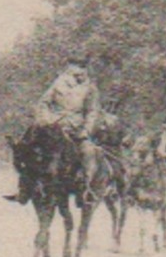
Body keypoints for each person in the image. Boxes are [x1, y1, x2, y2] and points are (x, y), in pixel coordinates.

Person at [19, 55, 103, 203]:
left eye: (83, 67)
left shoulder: (91, 88)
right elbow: (43, 103)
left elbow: (93, 112)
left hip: (75, 128)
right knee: (27, 145)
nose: (79, 71)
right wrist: (46, 119)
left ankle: (86, 188)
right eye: (76, 67)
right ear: (70, 67)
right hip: (53, 125)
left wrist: (86, 130)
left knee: (89, 152)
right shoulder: (58, 83)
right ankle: (24, 186)